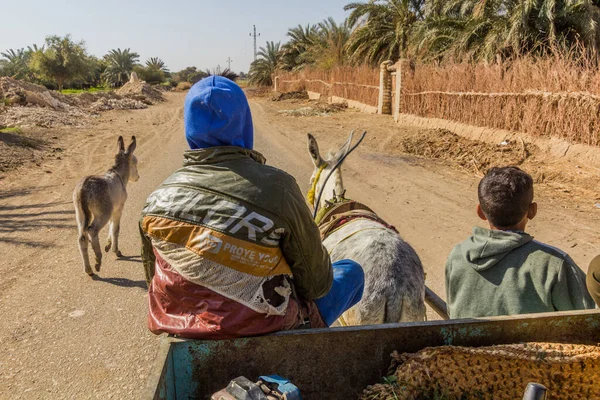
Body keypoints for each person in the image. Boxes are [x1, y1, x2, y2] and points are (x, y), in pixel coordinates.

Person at [139, 76, 364, 339]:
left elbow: (154, 284)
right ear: (245, 125)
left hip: (182, 327)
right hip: (267, 325)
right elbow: (316, 285)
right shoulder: (279, 187)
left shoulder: (156, 200)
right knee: (352, 272)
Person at [445, 166, 594, 319]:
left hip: (466, 343)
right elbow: (587, 319)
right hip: (536, 344)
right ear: (532, 211)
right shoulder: (554, 264)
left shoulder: (457, 256)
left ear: (480, 212)